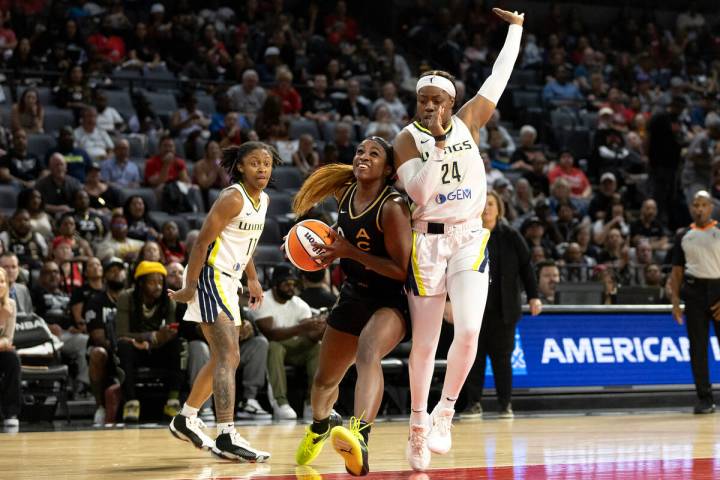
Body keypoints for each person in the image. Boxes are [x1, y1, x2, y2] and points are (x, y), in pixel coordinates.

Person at [393, 10, 524, 471]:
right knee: (425, 345)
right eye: (422, 99)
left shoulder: (470, 120)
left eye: (436, 100)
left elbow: (499, 77)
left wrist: (516, 30)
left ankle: (444, 411)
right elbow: (421, 192)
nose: (428, 106)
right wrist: (440, 143)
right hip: (426, 243)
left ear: (450, 102)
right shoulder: (406, 141)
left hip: (469, 237)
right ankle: (415, 425)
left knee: (468, 328)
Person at [291, 137, 412, 476]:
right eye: (360, 151)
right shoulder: (344, 194)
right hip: (355, 293)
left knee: (368, 351)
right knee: (324, 381)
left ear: (388, 169)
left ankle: (359, 436)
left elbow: (402, 269)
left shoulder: (392, 207)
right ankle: (321, 424)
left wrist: (349, 251)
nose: (363, 156)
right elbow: (343, 239)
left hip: (392, 298)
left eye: (374, 154)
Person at [167, 142, 274, 462]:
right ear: (240, 167)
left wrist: (252, 278)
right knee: (229, 354)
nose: (262, 169)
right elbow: (201, 243)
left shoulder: (263, 199)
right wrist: (189, 287)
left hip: (230, 279)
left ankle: (186, 418)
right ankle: (227, 434)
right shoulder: (232, 197)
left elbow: (247, 243)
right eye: (255, 163)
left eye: (267, 163)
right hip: (209, 275)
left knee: (221, 357)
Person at [462, 191, 541, 419]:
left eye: (491, 204)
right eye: (483, 204)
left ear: (499, 208)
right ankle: (473, 404)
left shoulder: (511, 235)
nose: (486, 208)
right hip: (474, 309)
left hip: (504, 309)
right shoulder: (468, 234)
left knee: (502, 359)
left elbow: (527, 267)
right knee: (472, 358)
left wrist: (534, 296)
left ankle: (505, 404)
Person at [670, 191, 720, 414]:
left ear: (711, 207)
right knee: (697, 349)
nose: (699, 209)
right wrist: (674, 301)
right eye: (696, 205)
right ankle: (705, 398)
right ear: (691, 208)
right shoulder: (683, 235)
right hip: (694, 293)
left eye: (703, 205)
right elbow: (677, 271)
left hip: (718, 290)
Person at [253, 265, 323, 420]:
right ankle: (280, 402)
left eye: (293, 284)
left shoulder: (300, 304)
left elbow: (310, 335)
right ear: (276, 284)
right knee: (274, 346)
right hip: (271, 350)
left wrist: (322, 329)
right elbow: (271, 334)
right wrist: (302, 327)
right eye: (286, 284)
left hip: (295, 349)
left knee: (317, 347)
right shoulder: (263, 300)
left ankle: (312, 403)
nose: (291, 288)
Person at [116, 261, 180, 422]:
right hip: (134, 349)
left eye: (160, 282)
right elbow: (122, 333)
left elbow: (170, 332)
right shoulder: (126, 297)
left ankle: (173, 400)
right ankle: (131, 402)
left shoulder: (168, 299)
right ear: (141, 283)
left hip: (157, 349)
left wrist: (152, 343)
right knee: (123, 346)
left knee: (178, 343)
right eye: (152, 282)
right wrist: (150, 336)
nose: (158, 286)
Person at [85, 257, 127, 425]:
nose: (117, 273)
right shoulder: (96, 301)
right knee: (97, 354)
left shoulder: (131, 298)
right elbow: (97, 337)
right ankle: (100, 406)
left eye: (120, 270)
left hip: (128, 347)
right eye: (112, 270)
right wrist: (117, 348)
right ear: (105, 276)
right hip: (106, 350)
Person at [0, 268, 19, 430]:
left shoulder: (11, 304)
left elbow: (8, 338)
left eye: (2, 281)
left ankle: (10, 413)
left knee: (12, 358)